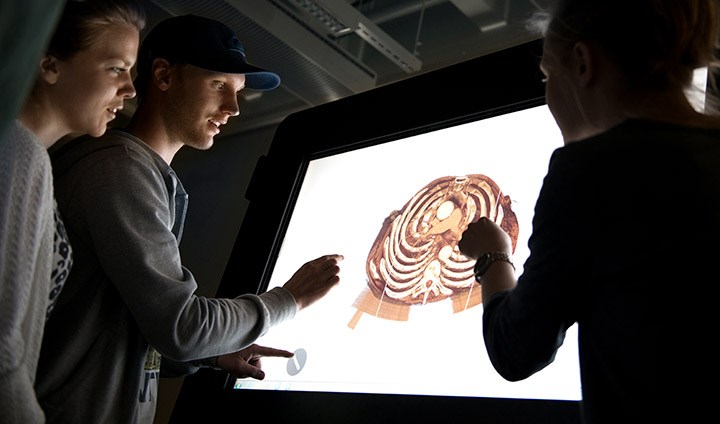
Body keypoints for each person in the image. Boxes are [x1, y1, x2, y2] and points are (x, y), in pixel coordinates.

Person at [35, 14, 344, 424]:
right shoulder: (120, 170)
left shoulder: (148, 176)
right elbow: (182, 326)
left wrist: (214, 353)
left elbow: (116, 331)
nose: (233, 108)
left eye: (237, 92)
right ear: (163, 76)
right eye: (219, 85)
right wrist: (288, 300)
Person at [457, 0, 720, 422]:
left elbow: (516, 349)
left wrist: (492, 254)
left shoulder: (590, 173)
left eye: (547, 74)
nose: (547, 92)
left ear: (582, 63)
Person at [0, 1, 145, 422]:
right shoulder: (19, 153)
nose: (131, 89)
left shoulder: (30, 156)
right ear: (49, 65)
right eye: (117, 68)